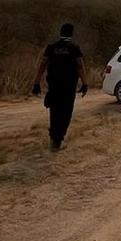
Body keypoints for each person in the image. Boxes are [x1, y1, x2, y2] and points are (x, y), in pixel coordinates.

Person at [32, 22, 88, 151]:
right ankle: (58, 139)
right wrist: (85, 83)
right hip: (68, 87)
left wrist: (36, 83)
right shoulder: (74, 48)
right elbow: (80, 66)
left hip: (54, 86)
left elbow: (42, 64)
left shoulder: (51, 48)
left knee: (55, 112)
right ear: (72, 34)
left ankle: (54, 139)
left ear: (60, 33)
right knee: (66, 113)